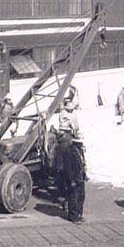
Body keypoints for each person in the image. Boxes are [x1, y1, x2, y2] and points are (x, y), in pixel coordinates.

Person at [51, 93, 85, 222]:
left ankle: (76, 214)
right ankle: (74, 216)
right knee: (73, 195)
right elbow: (70, 166)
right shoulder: (69, 150)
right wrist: (72, 179)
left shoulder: (71, 149)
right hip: (72, 176)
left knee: (76, 194)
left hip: (74, 175)